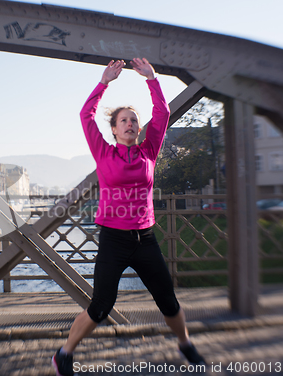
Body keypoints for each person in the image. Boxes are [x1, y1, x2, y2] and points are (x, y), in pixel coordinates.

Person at [52, 58, 205, 376]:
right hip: (114, 239)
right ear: (114, 128)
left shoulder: (149, 150)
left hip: (145, 239)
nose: (131, 123)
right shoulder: (104, 152)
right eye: (124, 120)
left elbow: (162, 114)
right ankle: (64, 354)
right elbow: (85, 115)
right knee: (101, 306)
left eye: (134, 120)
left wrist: (152, 79)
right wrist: (104, 82)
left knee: (168, 300)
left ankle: (186, 343)